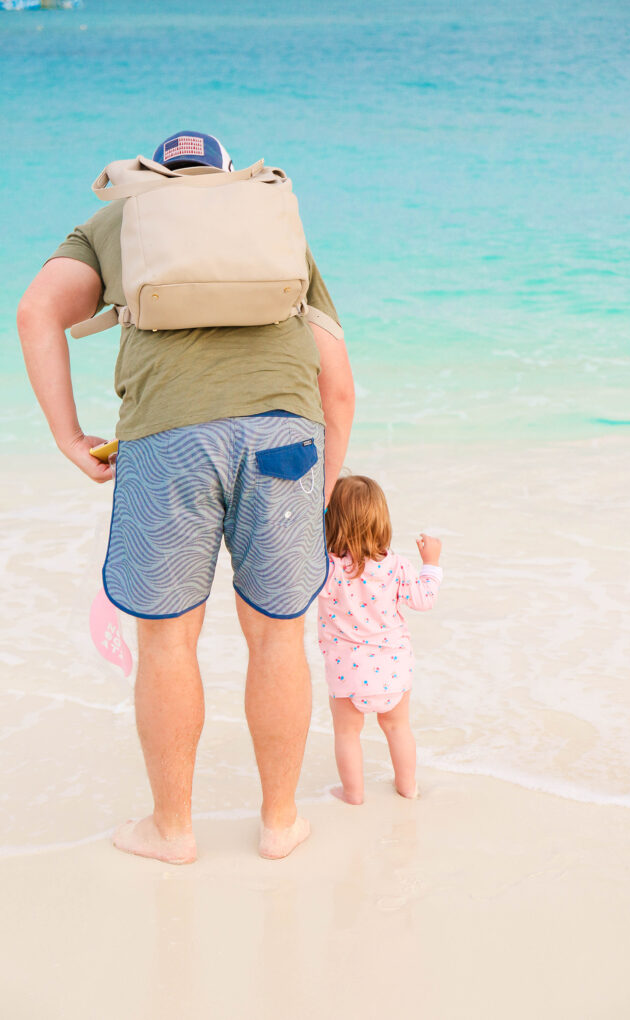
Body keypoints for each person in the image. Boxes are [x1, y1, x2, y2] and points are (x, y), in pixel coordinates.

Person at [17, 130, 355, 864]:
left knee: (168, 639)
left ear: (156, 175)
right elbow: (339, 383)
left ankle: (172, 831)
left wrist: (70, 437)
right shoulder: (275, 223)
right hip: (286, 440)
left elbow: (35, 312)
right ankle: (279, 824)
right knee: (276, 636)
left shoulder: (117, 221)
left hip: (169, 442)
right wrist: (323, 487)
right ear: (229, 176)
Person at [317, 475, 442, 804]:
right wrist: (431, 564)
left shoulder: (326, 569)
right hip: (394, 666)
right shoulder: (398, 566)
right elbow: (424, 600)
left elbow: (299, 593)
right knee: (398, 729)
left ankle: (353, 794)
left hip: (347, 671)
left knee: (347, 733)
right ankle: (407, 787)